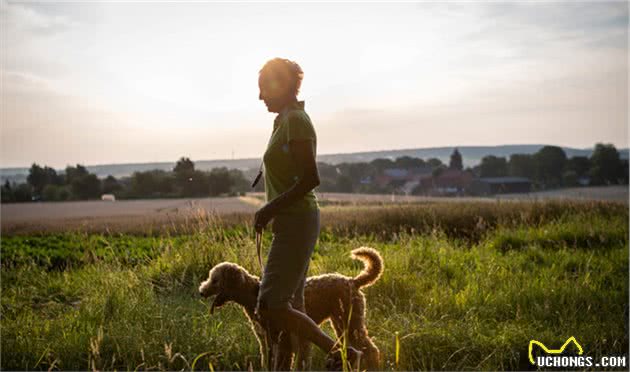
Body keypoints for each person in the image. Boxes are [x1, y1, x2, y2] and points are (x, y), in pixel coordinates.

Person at [253, 58, 362, 370]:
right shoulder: (285, 120)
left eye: (264, 88)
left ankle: (340, 353)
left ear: (283, 85)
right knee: (292, 304)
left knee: (270, 304)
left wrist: (269, 208)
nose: (260, 97)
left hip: (297, 221)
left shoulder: (296, 121)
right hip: (290, 222)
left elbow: (311, 178)